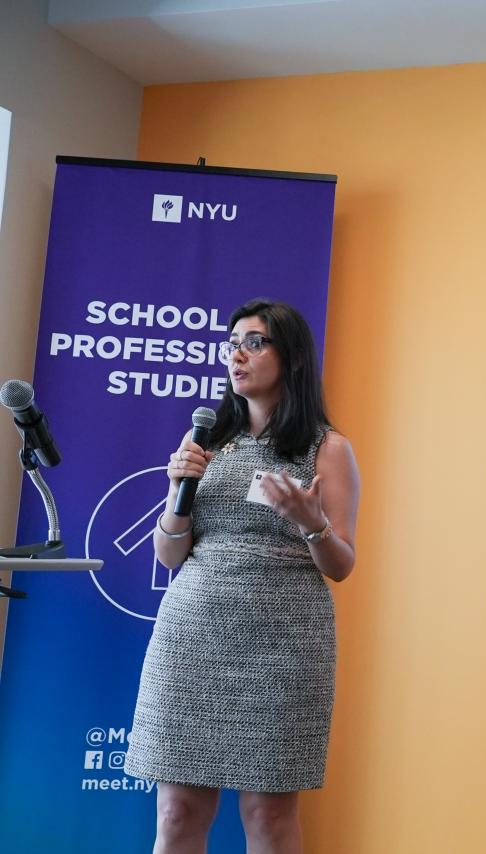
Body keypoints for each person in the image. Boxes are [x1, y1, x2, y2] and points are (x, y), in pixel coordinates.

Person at [124, 298, 360, 854]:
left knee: (269, 817)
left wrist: (312, 523)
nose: (238, 354)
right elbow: (168, 554)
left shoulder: (328, 448)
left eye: (255, 342)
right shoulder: (205, 441)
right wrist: (177, 496)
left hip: (284, 641)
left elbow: (343, 564)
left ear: (293, 358)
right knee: (178, 813)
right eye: (232, 343)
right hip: (193, 633)